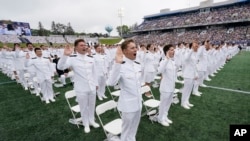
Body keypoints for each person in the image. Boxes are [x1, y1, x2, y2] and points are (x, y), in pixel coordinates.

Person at [57, 39, 99, 133]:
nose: (84, 47)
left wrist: (96, 84)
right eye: (81, 45)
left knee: (92, 105)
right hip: (81, 88)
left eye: (85, 45)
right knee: (83, 107)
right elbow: (60, 67)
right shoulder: (72, 58)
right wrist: (65, 55)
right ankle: (86, 124)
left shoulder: (90, 58)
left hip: (92, 87)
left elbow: (94, 73)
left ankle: (91, 120)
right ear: (75, 47)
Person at [107, 39, 142, 141]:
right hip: (128, 105)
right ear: (125, 51)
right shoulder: (120, 65)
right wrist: (117, 63)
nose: (135, 49)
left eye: (135, 47)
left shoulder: (137, 64)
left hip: (138, 103)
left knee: (134, 127)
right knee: (126, 130)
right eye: (132, 48)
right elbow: (111, 83)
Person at [157, 44, 176, 126]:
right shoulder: (163, 61)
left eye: (173, 49)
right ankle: (160, 119)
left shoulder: (172, 61)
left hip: (171, 87)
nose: (173, 51)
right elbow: (160, 71)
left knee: (168, 104)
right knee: (163, 104)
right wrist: (167, 59)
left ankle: (165, 116)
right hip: (165, 88)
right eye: (171, 50)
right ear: (167, 51)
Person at [181, 41, 199, 109]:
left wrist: (196, 74)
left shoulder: (195, 53)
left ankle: (186, 101)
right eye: (195, 46)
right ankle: (183, 103)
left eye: (197, 46)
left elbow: (194, 65)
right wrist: (192, 50)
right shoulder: (188, 52)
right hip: (188, 74)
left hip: (192, 74)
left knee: (189, 89)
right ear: (192, 46)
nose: (197, 47)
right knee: (186, 89)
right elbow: (186, 59)